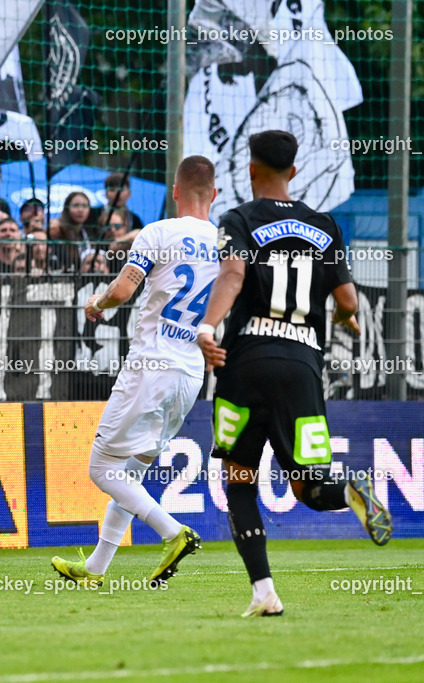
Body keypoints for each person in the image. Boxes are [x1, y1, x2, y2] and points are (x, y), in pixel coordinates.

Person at [196, 130, 392, 617]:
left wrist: (207, 326)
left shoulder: (238, 218)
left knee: (238, 480)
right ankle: (349, 488)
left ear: (250, 169)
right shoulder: (325, 226)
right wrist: (344, 316)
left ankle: (264, 591)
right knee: (309, 488)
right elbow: (348, 302)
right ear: (295, 171)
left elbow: (234, 274)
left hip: (245, 364)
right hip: (303, 368)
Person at [51, 155, 222, 590]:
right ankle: (96, 568)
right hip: (191, 373)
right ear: (215, 194)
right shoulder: (225, 243)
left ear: (176, 191)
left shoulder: (158, 232)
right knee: (132, 472)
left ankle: (172, 532)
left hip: (151, 366)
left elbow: (124, 289)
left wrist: (97, 303)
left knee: (102, 468)